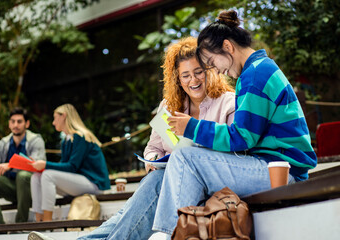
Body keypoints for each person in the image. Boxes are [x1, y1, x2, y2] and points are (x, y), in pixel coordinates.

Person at [28, 37, 235, 240]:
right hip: (167, 184)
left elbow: (233, 151)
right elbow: (153, 147)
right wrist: (153, 160)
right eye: (186, 75)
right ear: (177, 79)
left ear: (210, 71)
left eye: (198, 72)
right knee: (130, 210)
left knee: (152, 186)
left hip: (204, 186)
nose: (193, 80)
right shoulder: (169, 106)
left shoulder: (227, 103)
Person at [151, 10, 317, 237]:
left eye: (211, 62)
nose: (216, 70)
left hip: (281, 172)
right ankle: (176, 232)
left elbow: (242, 137)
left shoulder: (256, 74)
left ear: (228, 47)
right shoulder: (257, 69)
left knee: (184, 157)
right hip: (273, 166)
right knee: (183, 163)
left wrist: (191, 127)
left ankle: (168, 234)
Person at [29, 103, 111, 222]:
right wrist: (40, 167)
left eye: (55, 118)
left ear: (63, 116)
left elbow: (72, 167)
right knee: (36, 177)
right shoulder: (66, 141)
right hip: (79, 181)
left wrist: (45, 165)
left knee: (47, 175)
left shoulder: (80, 136)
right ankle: (39, 219)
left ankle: (47, 222)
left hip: (93, 183)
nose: (53, 122)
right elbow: (64, 167)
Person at [0, 107, 46, 224]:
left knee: (23, 175)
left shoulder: (36, 140)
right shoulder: (3, 143)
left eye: (19, 121)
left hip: (32, 189)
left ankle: (20, 225)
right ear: (9, 124)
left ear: (27, 123)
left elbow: (36, 165)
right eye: (12, 121)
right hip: (11, 188)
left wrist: (11, 165)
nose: (16, 125)